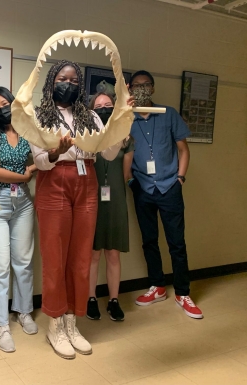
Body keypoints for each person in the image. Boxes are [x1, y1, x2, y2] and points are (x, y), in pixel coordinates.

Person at [31, 60, 134, 360]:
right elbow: (39, 161)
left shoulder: (89, 116)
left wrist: (122, 121)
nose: (70, 83)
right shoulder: (40, 116)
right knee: (55, 257)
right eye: (63, 78)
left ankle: (72, 322)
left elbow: (109, 151)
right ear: (52, 81)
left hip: (86, 180)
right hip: (54, 180)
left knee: (80, 256)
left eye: (75, 80)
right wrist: (56, 152)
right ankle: (55, 323)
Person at [126, 70, 203, 319]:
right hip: (143, 187)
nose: (142, 89)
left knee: (176, 243)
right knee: (149, 241)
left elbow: (183, 149)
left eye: (146, 85)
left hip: (169, 186)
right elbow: (119, 150)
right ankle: (157, 286)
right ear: (129, 89)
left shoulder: (168, 114)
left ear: (153, 88)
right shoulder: (126, 118)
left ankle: (182, 292)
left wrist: (180, 178)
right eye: (137, 86)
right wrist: (130, 180)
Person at [0, 86, 38, 353]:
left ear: (14, 104)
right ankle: (3, 325)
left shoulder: (27, 131)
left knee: (23, 262)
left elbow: (43, 156)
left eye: (5, 103)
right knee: (0, 266)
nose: (1, 109)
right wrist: (25, 176)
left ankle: (24, 311)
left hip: (23, 203)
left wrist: (34, 169)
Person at [87, 91, 134, 322]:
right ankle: (91, 298)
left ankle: (114, 300)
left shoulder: (125, 136)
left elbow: (126, 174)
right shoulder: (87, 136)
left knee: (113, 254)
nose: (104, 108)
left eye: (108, 105)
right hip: (91, 199)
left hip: (114, 199)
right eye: (99, 105)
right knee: (93, 253)